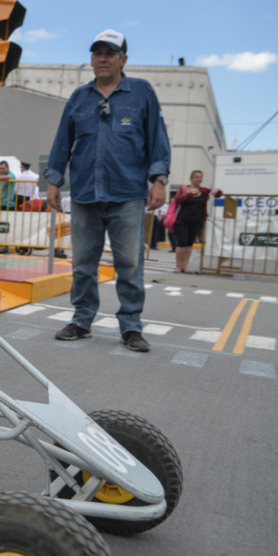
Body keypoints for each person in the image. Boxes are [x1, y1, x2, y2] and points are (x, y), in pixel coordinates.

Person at [44, 29, 170, 353]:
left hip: (127, 193)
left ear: (123, 59)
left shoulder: (141, 92)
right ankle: (82, 320)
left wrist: (159, 178)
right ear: (91, 59)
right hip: (85, 194)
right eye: (97, 53)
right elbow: (61, 142)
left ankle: (130, 326)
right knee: (82, 264)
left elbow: (157, 137)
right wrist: (54, 180)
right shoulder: (79, 97)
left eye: (109, 53)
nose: (102, 58)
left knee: (129, 263)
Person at [172, 170, 222, 273]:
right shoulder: (184, 189)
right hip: (182, 220)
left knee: (189, 245)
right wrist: (189, 194)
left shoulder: (204, 191)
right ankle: (178, 266)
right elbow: (178, 200)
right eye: (196, 177)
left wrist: (217, 190)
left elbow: (219, 194)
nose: (199, 179)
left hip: (197, 221)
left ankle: (184, 266)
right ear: (191, 179)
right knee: (182, 244)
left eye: (200, 177)